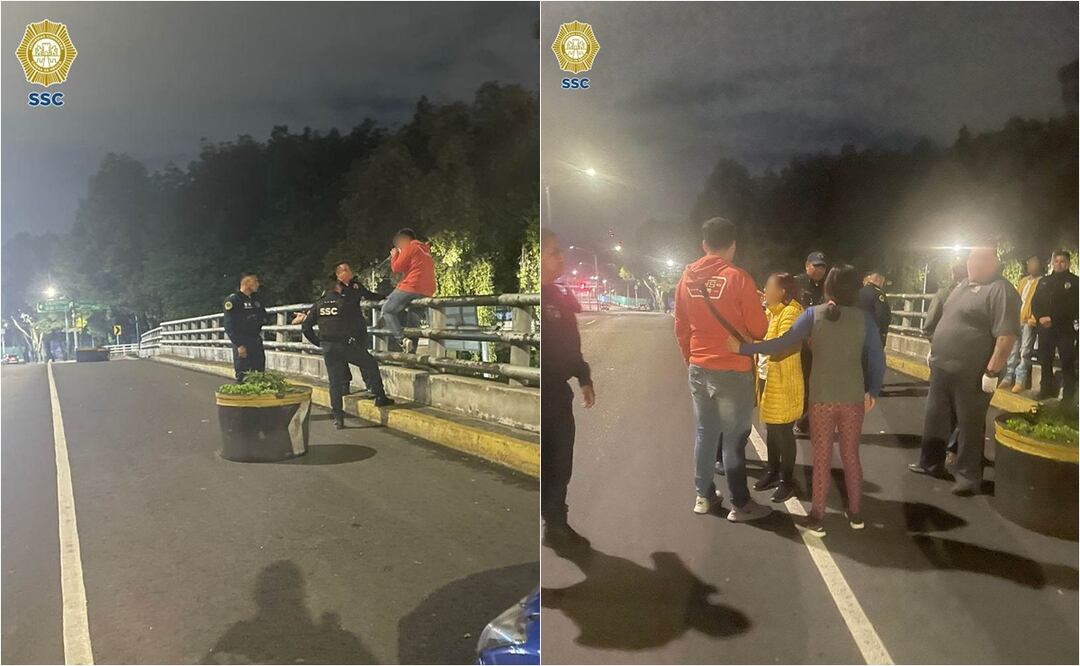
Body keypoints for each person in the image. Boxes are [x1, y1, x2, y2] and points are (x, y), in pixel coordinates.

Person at [730, 264, 885, 535]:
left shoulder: (814, 315)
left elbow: (782, 342)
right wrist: (872, 390)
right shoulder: (866, 320)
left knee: (822, 458)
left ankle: (817, 517)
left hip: (821, 400)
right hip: (852, 400)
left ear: (829, 288)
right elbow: (877, 360)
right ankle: (856, 513)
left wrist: (744, 348)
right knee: (851, 456)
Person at [674, 217, 770, 521]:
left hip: (699, 366)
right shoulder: (739, 278)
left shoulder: (686, 278)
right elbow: (759, 329)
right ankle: (740, 504)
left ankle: (703, 496)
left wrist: (690, 358)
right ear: (733, 246)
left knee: (705, 433)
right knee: (733, 439)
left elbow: (680, 326)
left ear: (704, 245)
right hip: (732, 370)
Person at [909, 246, 1020, 496]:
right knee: (935, 418)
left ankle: (968, 477)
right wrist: (935, 348)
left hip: (972, 373)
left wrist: (992, 371)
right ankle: (931, 462)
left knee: (969, 425)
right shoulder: (961, 286)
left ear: (993, 263)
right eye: (970, 258)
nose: (972, 263)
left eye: (979, 259)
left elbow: (1006, 336)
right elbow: (947, 318)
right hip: (942, 367)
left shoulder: (1001, 290)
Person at [540, 229, 595, 549]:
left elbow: (570, 347)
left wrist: (583, 377)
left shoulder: (559, 297)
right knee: (548, 461)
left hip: (558, 395)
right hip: (543, 393)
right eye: (553, 252)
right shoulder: (542, 299)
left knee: (561, 462)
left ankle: (556, 523)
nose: (561, 258)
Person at [302, 268, 395, 429]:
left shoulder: (318, 304)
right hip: (345, 345)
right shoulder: (343, 302)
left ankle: (338, 418)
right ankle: (380, 396)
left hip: (328, 347)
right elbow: (354, 322)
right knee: (370, 364)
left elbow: (305, 327)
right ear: (337, 287)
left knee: (334, 383)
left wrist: (319, 343)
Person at [750, 272, 805, 503]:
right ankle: (772, 472)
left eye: (768, 286)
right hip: (767, 378)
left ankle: (786, 480)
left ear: (782, 291)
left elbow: (780, 345)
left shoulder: (792, 312)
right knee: (771, 429)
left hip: (784, 381)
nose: (765, 289)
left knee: (783, 432)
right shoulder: (771, 312)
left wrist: (746, 346)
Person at [1031, 250, 1078, 401]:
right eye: (1056, 261)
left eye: (1062, 261)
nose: (1059, 264)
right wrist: (1040, 318)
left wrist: (1052, 318)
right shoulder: (1044, 281)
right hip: (1045, 329)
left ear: (1068, 263)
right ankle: (1046, 389)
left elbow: (1073, 307)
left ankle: (1068, 395)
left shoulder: (1075, 282)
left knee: (1067, 361)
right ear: (1052, 263)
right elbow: (1035, 302)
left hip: (1065, 329)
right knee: (1045, 360)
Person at [382, 228, 436, 353]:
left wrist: (395, 255)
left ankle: (401, 340)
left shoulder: (411, 246)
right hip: (427, 289)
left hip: (412, 285)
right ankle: (411, 354)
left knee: (387, 310)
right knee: (413, 323)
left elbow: (397, 267)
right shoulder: (424, 249)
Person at [793, 251, 828, 436]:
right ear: (807, 265)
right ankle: (797, 419)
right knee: (800, 382)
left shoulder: (828, 286)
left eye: (822, 266)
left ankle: (806, 420)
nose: (820, 269)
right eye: (816, 265)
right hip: (800, 342)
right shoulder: (795, 283)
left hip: (821, 343)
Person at [1002, 254, 1044, 393]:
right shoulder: (1023, 281)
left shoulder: (1042, 282)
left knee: (1025, 351)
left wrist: (1033, 318)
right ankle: (1008, 377)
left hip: (1028, 321)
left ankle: (1020, 380)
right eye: (1029, 262)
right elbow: (1016, 299)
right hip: (1016, 319)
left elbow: (1039, 303)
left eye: (1033, 262)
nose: (1030, 265)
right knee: (1012, 350)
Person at [223, 273, 273, 382]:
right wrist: (239, 344)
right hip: (242, 341)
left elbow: (264, 317)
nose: (258, 284)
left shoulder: (257, 299)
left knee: (259, 373)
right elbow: (229, 325)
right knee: (243, 374)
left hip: (255, 339)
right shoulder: (233, 300)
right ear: (247, 283)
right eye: (255, 282)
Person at [922, 262, 968, 338]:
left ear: (953, 275)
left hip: (943, 341)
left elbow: (928, 326)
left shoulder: (943, 294)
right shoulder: (974, 296)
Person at [857, 272, 891, 347]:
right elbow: (882, 315)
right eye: (883, 281)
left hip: (859, 333)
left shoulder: (859, 292)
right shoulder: (878, 294)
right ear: (878, 279)